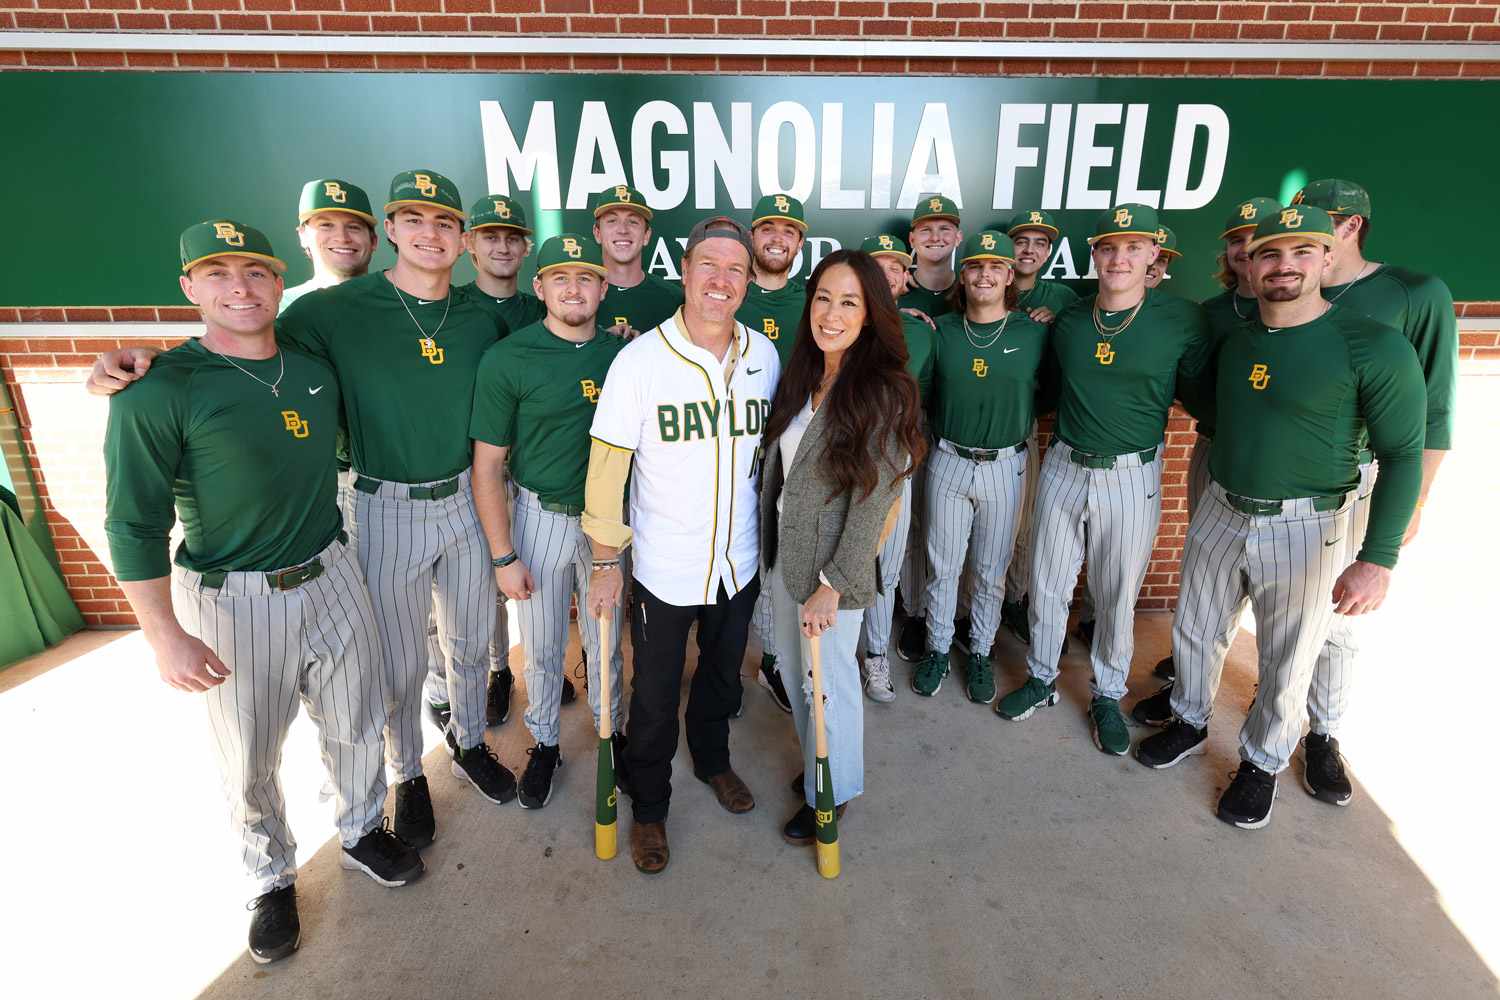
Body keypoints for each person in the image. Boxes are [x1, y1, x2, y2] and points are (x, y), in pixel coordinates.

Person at [88, 170, 520, 848]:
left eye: (444, 223)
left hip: (466, 497)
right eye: (414, 219)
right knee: (399, 664)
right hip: (383, 503)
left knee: (471, 642)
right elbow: (238, 342)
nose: (430, 234)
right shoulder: (332, 311)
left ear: (462, 239)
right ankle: (408, 774)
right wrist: (145, 362)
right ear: (392, 232)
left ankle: (468, 743)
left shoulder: (479, 315)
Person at [104, 221, 422, 965]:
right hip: (234, 596)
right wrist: (163, 635)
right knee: (248, 753)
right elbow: (132, 524)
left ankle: (361, 829)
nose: (240, 289)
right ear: (189, 287)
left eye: (254, 272)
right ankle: (270, 876)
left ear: (281, 282)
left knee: (354, 717)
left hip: (330, 567)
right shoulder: (157, 390)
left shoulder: (310, 365)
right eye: (217, 274)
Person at [1135, 206, 1425, 830]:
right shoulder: (1238, 341)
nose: (1283, 265)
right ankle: (1188, 719)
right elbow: (1211, 410)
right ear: (1249, 263)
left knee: (1289, 653)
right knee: (1196, 625)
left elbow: (1402, 454)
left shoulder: (1369, 344)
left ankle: (1261, 763)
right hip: (1223, 503)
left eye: (1301, 252)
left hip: (1306, 523)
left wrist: (1378, 558)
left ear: (1327, 257)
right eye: (1270, 253)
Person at [582, 216, 780, 874]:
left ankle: (715, 762)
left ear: (748, 283)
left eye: (735, 270)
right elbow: (607, 470)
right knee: (655, 696)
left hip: (738, 562)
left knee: (722, 681)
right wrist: (607, 559)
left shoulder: (764, 355)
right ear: (686, 271)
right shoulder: (639, 361)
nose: (721, 281)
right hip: (664, 568)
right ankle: (649, 805)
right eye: (709, 266)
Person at [996, 204, 1213, 758]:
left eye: (1133, 248)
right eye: (1109, 248)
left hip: (1130, 473)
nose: (1119, 258)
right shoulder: (1069, 318)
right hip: (1066, 463)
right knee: (1046, 583)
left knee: (1116, 595)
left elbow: (1203, 392)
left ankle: (1107, 693)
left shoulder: (1180, 319)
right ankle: (1043, 678)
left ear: (1153, 259)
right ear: (1094, 255)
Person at [1283, 177, 1458, 805]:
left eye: (1315, 227)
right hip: (1286, 475)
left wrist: (1416, 499)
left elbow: (1434, 410)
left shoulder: (1412, 292)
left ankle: (1323, 734)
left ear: (1351, 226)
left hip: (1362, 475)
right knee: (1284, 604)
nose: (1298, 244)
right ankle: (1271, 700)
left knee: (1342, 613)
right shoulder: (1285, 289)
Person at [758, 249, 924, 842]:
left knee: (827, 686)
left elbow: (873, 504)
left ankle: (835, 788)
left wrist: (832, 586)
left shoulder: (883, 390)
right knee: (799, 683)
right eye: (823, 298)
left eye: (849, 301)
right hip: (785, 558)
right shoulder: (806, 374)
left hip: (831, 574)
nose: (832, 313)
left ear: (872, 312)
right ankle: (819, 764)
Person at [469, 234, 627, 810]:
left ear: (604, 287)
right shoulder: (509, 357)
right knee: (539, 646)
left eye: (586, 277)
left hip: (607, 521)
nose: (573, 287)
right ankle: (544, 742)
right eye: (559, 277)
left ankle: (613, 736)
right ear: (539, 288)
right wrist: (503, 555)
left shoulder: (623, 355)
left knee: (605, 638)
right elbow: (486, 465)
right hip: (543, 514)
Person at [1135, 195, 1280, 694]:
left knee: (1282, 594)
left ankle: (1279, 693)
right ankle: (1191, 685)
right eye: (1237, 241)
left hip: (1292, 468)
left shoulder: (1311, 312)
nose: (1246, 249)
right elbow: (1189, 383)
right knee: (1208, 571)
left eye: (1258, 239)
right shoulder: (1210, 314)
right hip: (1216, 447)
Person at [423, 194, 557, 734]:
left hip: (526, 471)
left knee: (518, 573)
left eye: (511, 236)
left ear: (525, 248)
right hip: (466, 469)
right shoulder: (449, 307)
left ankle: (517, 665)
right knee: (474, 587)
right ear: (467, 245)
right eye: (488, 235)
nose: (501, 245)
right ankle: (497, 671)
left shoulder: (538, 308)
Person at [910, 232, 1052, 704]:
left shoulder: (1033, 332)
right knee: (942, 566)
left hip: (1004, 463)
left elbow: (1046, 394)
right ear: (962, 274)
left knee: (991, 571)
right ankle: (935, 647)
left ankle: (980, 650)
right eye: (974, 266)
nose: (985, 274)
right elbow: (924, 394)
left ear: (1011, 275)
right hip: (949, 458)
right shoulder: (942, 330)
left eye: (995, 266)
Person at [736, 192, 811, 715]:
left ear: (799, 243)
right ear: (753, 237)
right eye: (768, 228)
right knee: (735, 559)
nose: (777, 238)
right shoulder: (729, 290)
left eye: (788, 231)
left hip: (793, 450)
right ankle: (723, 667)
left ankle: (774, 662)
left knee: (779, 560)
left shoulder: (812, 300)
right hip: (733, 449)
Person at [858, 234, 935, 702]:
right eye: (877, 265)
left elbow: (924, 399)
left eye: (895, 267)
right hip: (845, 455)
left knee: (886, 564)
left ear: (905, 279)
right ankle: (835, 651)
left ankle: (875, 655)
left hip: (895, 458)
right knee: (842, 558)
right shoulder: (839, 318)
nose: (887, 274)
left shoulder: (923, 332)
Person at [998, 208, 1079, 647]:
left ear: (1049, 251)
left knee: (1024, 524)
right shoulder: (987, 283)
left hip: (1029, 423)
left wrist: (1056, 319)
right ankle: (973, 611)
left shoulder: (1061, 297)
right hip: (981, 421)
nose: (1029, 250)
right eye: (1022, 241)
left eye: (1039, 243)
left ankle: (1015, 600)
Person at [593, 183, 684, 337]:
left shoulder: (674, 300)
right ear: (597, 233)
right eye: (612, 221)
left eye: (633, 221)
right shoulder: (579, 297)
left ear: (647, 235)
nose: (622, 230)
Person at [281, 178, 377, 313]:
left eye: (353, 227)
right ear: (303, 236)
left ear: (373, 240)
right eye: (326, 225)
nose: (342, 238)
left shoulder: (401, 302)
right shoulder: (278, 307)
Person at [898, 195, 962, 319]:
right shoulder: (895, 291)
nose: (935, 238)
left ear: (958, 238)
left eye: (944, 229)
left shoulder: (971, 291)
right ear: (912, 239)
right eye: (926, 230)